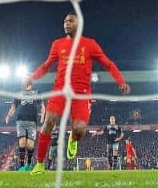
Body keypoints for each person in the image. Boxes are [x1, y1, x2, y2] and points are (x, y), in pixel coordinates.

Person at [25, 12, 130, 175]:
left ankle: (73, 140)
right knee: (49, 121)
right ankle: (39, 164)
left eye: (70, 21)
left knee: (80, 129)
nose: (66, 23)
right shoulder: (57, 44)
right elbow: (46, 66)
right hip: (60, 90)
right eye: (65, 21)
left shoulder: (90, 44)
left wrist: (121, 81)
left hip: (81, 93)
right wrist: (32, 77)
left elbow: (108, 65)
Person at [5, 86, 45, 171]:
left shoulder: (37, 92)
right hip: (20, 121)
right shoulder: (18, 94)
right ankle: (21, 166)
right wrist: (8, 116)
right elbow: (13, 107)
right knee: (22, 142)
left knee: (30, 145)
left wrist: (42, 116)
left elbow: (42, 105)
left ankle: (29, 163)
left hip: (32, 122)